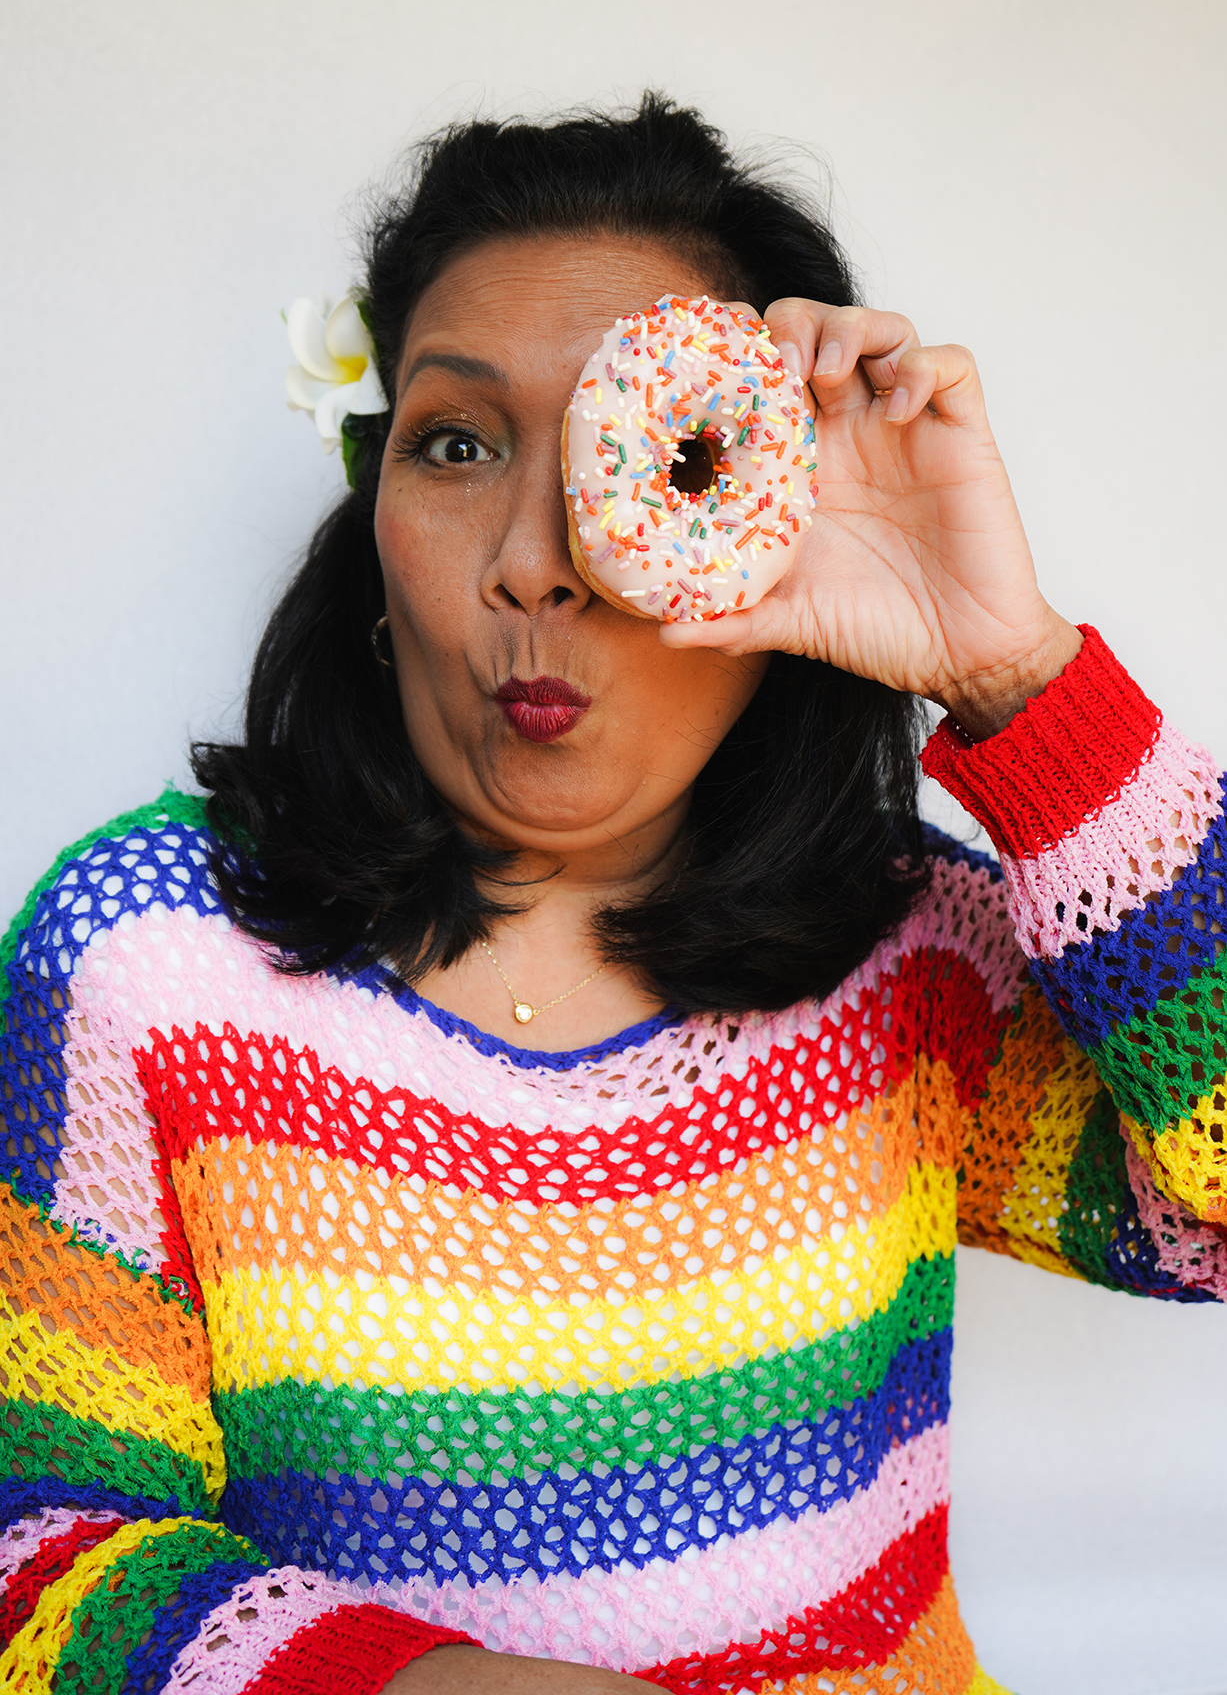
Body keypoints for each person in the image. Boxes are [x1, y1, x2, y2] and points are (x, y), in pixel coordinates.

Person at [1, 95, 1223, 1695]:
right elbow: (49, 1551)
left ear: (770, 525)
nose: (537, 560)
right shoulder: (146, 962)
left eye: (660, 458)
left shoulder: (905, 954)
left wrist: (1017, 673)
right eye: (458, 444)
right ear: (374, 513)